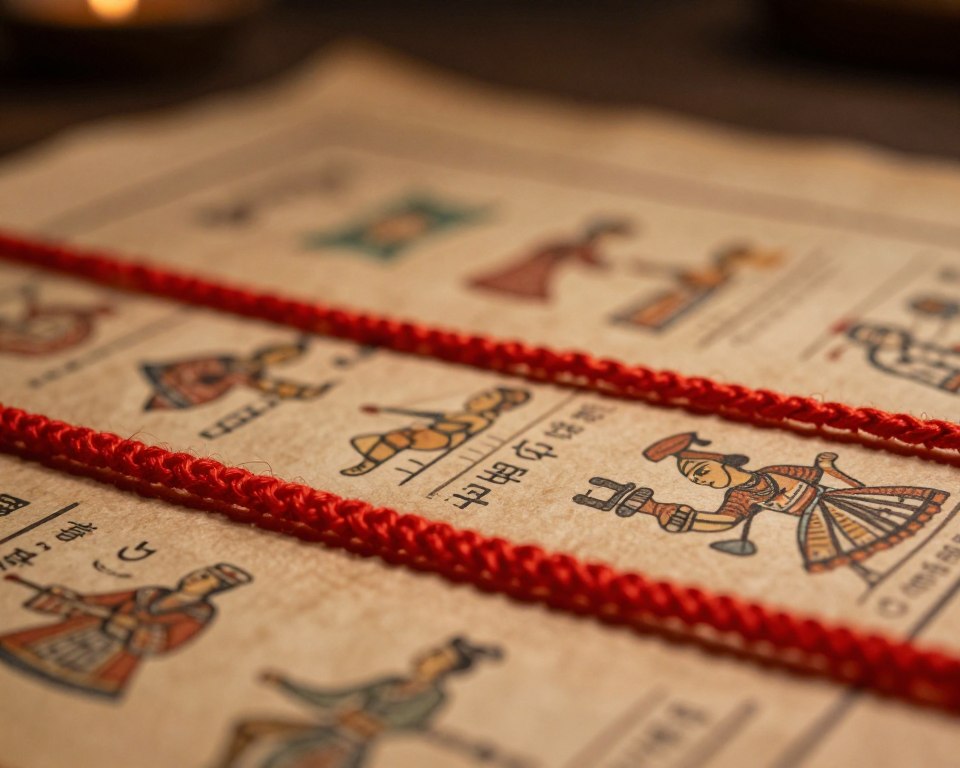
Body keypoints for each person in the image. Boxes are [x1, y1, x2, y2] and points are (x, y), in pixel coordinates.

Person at [640, 432, 948, 584]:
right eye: (694, 479)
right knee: (839, 545)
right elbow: (723, 522)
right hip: (814, 519)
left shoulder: (775, 471)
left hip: (834, 501)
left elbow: (823, 475)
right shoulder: (740, 498)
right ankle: (873, 574)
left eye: (702, 471)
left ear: (721, 461)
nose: (701, 481)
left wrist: (851, 482)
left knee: (883, 519)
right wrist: (687, 519)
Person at [216, 637, 506, 768]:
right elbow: (331, 699)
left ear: (447, 670)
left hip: (347, 747)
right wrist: (285, 683)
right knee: (249, 728)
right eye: (434, 651)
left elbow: (406, 724)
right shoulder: (389, 682)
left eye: (438, 657)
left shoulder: (435, 697)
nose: (428, 656)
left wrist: (371, 723)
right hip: (326, 730)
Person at [0, 563, 252, 698]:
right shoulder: (151, 592)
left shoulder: (200, 613)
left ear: (216, 588)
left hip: (116, 652)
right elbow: (99, 602)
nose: (195, 577)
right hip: (87, 630)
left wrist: (136, 627)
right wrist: (69, 597)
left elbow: (171, 641)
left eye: (205, 578)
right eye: (199, 572)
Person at [341, 387, 530, 476]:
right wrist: (386, 410)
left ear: (501, 406)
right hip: (432, 434)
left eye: (487, 397)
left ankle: (366, 466)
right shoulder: (467, 414)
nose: (478, 396)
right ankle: (371, 459)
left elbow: (441, 418)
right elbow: (433, 415)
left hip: (442, 438)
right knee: (373, 440)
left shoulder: (481, 418)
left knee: (399, 437)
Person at [141, 338, 332, 411]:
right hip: (171, 388)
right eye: (280, 352)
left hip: (179, 394)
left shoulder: (246, 374)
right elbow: (191, 372)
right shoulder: (229, 363)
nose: (277, 358)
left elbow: (271, 386)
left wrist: (305, 392)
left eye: (284, 358)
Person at [468, 219, 632, 301]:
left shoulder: (577, 244)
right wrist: (612, 265)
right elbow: (589, 261)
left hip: (540, 266)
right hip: (539, 267)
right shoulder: (581, 246)